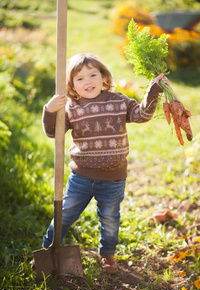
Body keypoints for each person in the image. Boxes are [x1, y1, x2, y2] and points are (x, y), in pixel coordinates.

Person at [41, 53, 169, 274]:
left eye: (93, 75)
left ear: (104, 77)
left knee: (110, 218)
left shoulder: (118, 101)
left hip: (113, 178)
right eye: (79, 79)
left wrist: (154, 90)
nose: (88, 82)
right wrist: (50, 110)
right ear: (71, 85)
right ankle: (47, 250)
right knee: (66, 213)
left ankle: (107, 254)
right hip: (81, 177)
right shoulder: (71, 107)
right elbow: (54, 133)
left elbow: (142, 115)